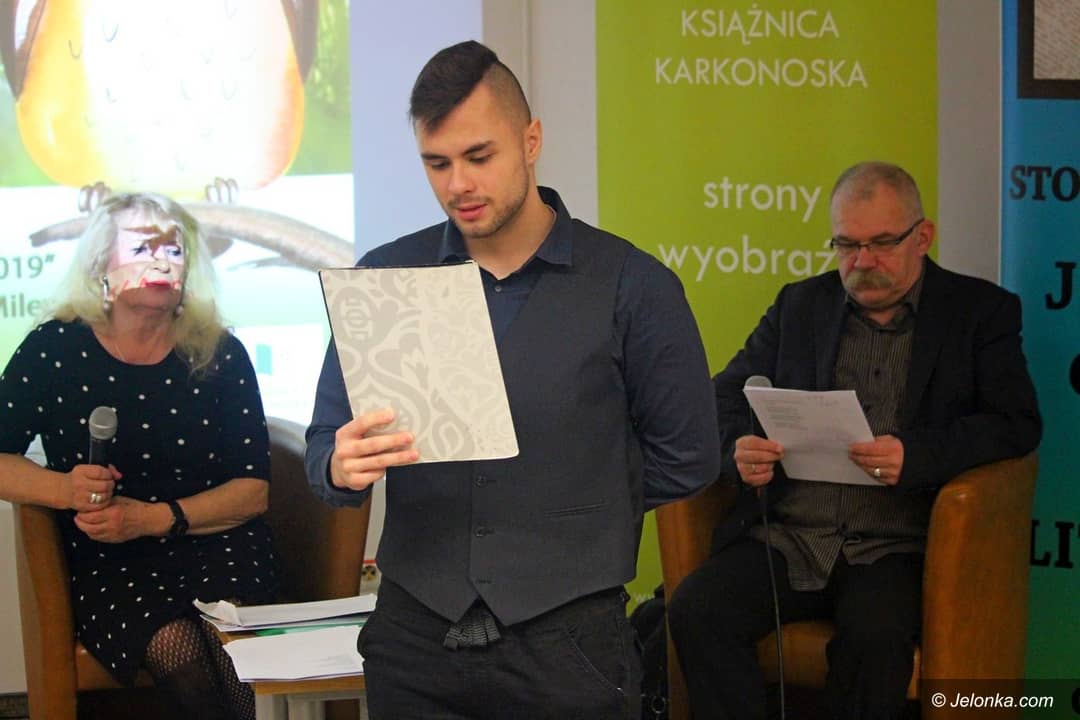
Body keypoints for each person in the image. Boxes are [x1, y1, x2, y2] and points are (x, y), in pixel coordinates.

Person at [305, 40, 721, 720]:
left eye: (479, 156)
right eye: (437, 163)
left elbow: (689, 456)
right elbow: (324, 443)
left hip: (570, 645)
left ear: (531, 141)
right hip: (413, 640)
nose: (458, 185)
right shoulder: (385, 279)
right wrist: (339, 464)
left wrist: (578, 509)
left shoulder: (633, 285)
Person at [667, 161, 1042, 720]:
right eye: (846, 245)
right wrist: (738, 449)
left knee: (876, 638)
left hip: (896, 543)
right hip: (792, 536)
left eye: (881, 244)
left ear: (922, 237)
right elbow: (721, 397)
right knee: (696, 609)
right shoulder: (800, 306)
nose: (862, 262)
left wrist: (916, 455)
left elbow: (1016, 423)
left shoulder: (978, 313)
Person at [0, 193, 280, 720]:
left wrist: (151, 518)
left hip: (217, 541)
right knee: (179, 652)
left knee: (234, 655)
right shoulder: (53, 349)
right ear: (100, 264)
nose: (161, 261)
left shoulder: (220, 353)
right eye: (142, 247)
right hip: (110, 558)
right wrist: (65, 489)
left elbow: (252, 492)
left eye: (174, 250)